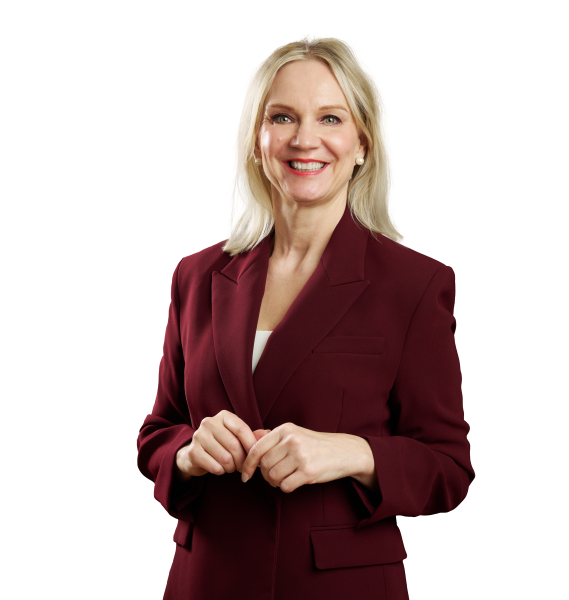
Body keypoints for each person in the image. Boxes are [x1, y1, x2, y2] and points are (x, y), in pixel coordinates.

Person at [137, 37, 475, 600]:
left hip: (339, 586)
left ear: (362, 144)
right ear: (258, 140)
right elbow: (157, 434)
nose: (304, 139)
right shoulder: (196, 276)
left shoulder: (414, 285)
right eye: (283, 117)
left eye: (330, 118)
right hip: (208, 580)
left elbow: (448, 467)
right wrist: (190, 453)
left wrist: (354, 452)